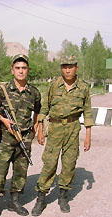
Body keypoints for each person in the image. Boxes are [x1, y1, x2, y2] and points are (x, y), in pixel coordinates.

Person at [31, 55, 94, 216]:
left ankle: (63, 196)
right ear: (61, 68)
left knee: (69, 162)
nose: (67, 69)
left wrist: (88, 135)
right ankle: (41, 197)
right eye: (64, 66)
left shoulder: (84, 88)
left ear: (76, 68)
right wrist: (39, 130)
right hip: (55, 128)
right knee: (50, 163)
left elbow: (87, 111)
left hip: (73, 128)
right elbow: (44, 108)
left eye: (71, 66)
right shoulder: (54, 85)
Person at [0, 54, 41, 217]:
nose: (21, 71)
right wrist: (4, 120)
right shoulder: (2, 90)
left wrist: (36, 127)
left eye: (24, 68)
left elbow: (38, 110)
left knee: (20, 172)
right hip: (5, 138)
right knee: (0, 172)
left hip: (24, 138)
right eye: (17, 68)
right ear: (12, 70)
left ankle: (14, 201)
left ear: (28, 70)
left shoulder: (33, 92)